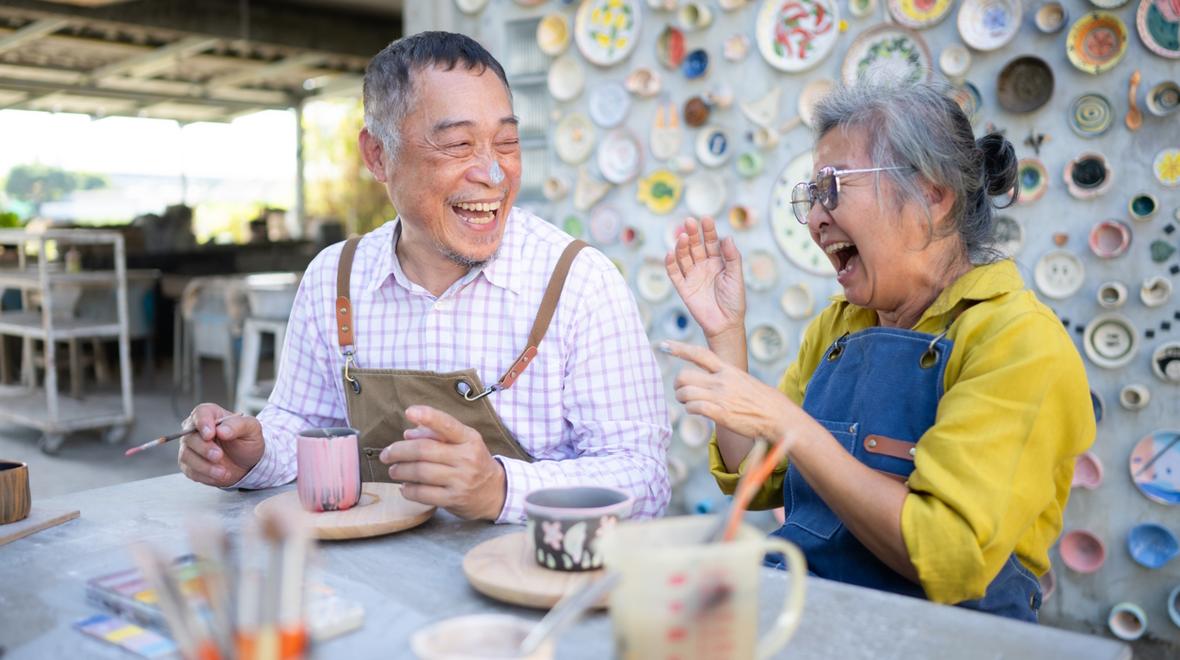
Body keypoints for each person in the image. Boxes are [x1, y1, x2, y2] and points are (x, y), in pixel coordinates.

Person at [177, 31, 670, 523]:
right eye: (458, 144)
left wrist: (500, 489)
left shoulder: (579, 282)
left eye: (507, 143)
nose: (494, 175)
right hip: (377, 586)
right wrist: (254, 455)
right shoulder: (335, 277)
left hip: (535, 588)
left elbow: (643, 477)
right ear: (378, 156)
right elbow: (303, 426)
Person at [661, 81, 1093, 621]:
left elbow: (945, 553)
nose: (816, 217)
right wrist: (726, 335)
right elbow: (758, 480)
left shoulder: (1019, 341)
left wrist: (791, 425)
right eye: (812, 194)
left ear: (933, 195)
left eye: (834, 187)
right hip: (816, 611)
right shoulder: (838, 328)